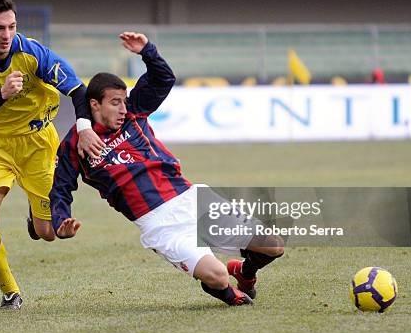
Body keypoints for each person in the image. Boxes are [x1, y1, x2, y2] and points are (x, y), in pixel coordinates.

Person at [49, 32, 284, 306]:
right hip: (161, 225)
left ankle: (245, 273)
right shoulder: (74, 144)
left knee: (273, 244)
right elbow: (61, 189)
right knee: (217, 276)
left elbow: (163, 79)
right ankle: (225, 291)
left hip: (191, 199)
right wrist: (60, 221)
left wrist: (148, 50)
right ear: (94, 105)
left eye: (124, 101)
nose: (123, 108)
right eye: (115, 103)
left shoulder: (134, 111)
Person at [0, 0, 104, 309]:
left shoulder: (33, 53)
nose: (6, 35)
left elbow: (78, 90)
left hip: (37, 145)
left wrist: (84, 128)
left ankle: (36, 221)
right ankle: (10, 293)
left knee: (49, 233)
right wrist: (3, 94)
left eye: (11, 26)